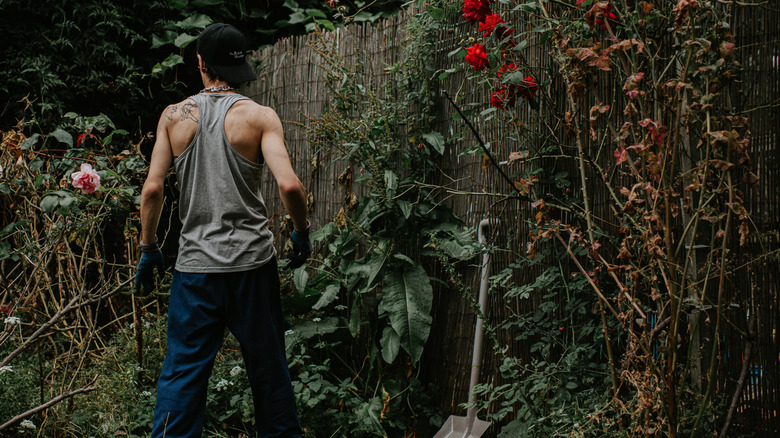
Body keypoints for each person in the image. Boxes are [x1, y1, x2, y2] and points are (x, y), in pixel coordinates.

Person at [135, 23, 310, 438]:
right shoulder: (260, 116)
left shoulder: (174, 117)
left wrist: (149, 247)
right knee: (269, 371)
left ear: (200, 63)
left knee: (182, 375)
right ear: (241, 65)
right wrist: (300, 231)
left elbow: (153, 189)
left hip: (195, 270)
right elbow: (289, 185)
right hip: (252, 267)